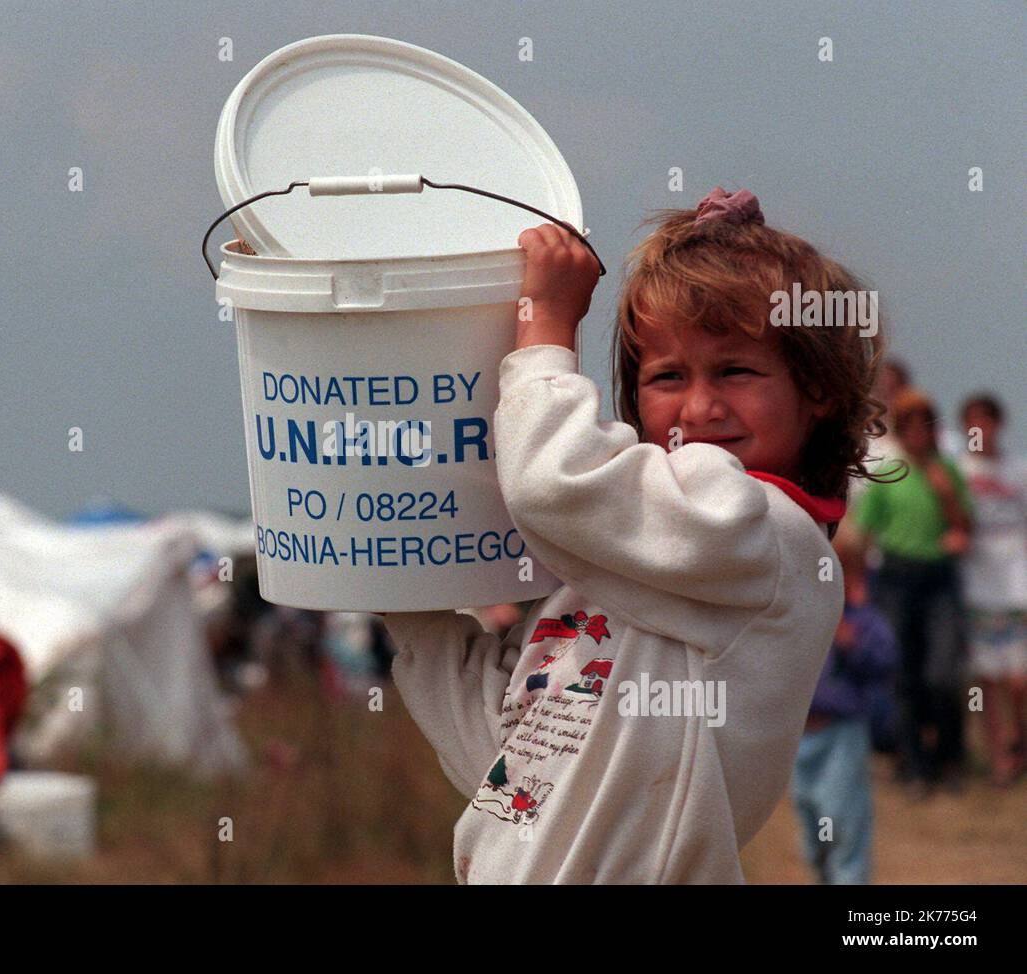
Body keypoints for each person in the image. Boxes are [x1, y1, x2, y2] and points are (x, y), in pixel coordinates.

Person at [381, 187, 888, 883]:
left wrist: (546, 328)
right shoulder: (637, 580)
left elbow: (551, 484)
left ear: (818, 388)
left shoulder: (766, 538)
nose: (702, 406)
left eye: (736, 370)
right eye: (667, 375)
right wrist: (404, 603)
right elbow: (513, 757)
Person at [851, 390, 975, 799]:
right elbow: (863, 533)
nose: (917, 432)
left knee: (942, 672)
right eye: (910, 425)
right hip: (896, 577)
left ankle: (950, 755)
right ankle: (914, 765)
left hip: (939, 577)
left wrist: (946, 497)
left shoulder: (946, 470)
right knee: (902, 674)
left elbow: (965, 526)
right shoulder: (889, 472)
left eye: (924, 424)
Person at [793, 524, 896, 884]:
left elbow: (885, 661)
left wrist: (852, 642)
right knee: (810, 827)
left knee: (842, 821)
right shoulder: (795, 618)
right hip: (797, 738)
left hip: (841, 735)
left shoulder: (862, 622)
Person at [955, 393, 1027, 786]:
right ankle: (998, 755)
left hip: (1015, 585)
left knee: (1018, 678)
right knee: (985, 678)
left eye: (987, 421)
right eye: (973, 422)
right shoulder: (958, 471)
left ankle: (1020, 741)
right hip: (975, 585)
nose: (980, 430)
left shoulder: (1018, 470)